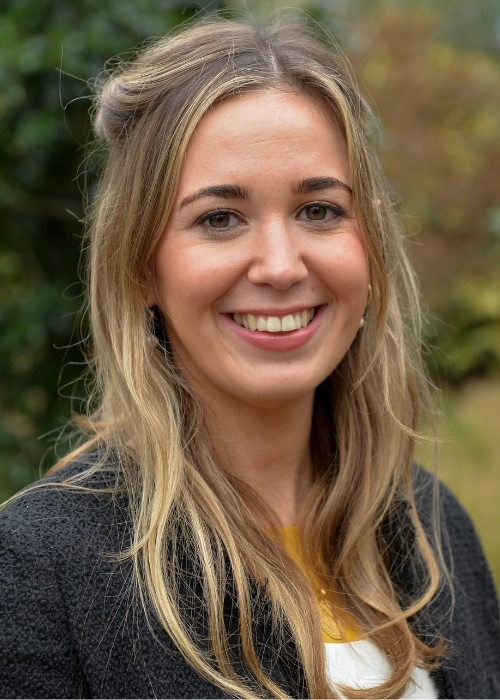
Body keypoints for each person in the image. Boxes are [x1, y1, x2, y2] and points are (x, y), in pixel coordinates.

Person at [0, 18, 498, 700]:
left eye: (319, 210)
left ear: (371, 242)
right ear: (143, 265)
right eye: (220, 219)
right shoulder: (39, 569)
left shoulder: (433, 527)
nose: (280, 265)